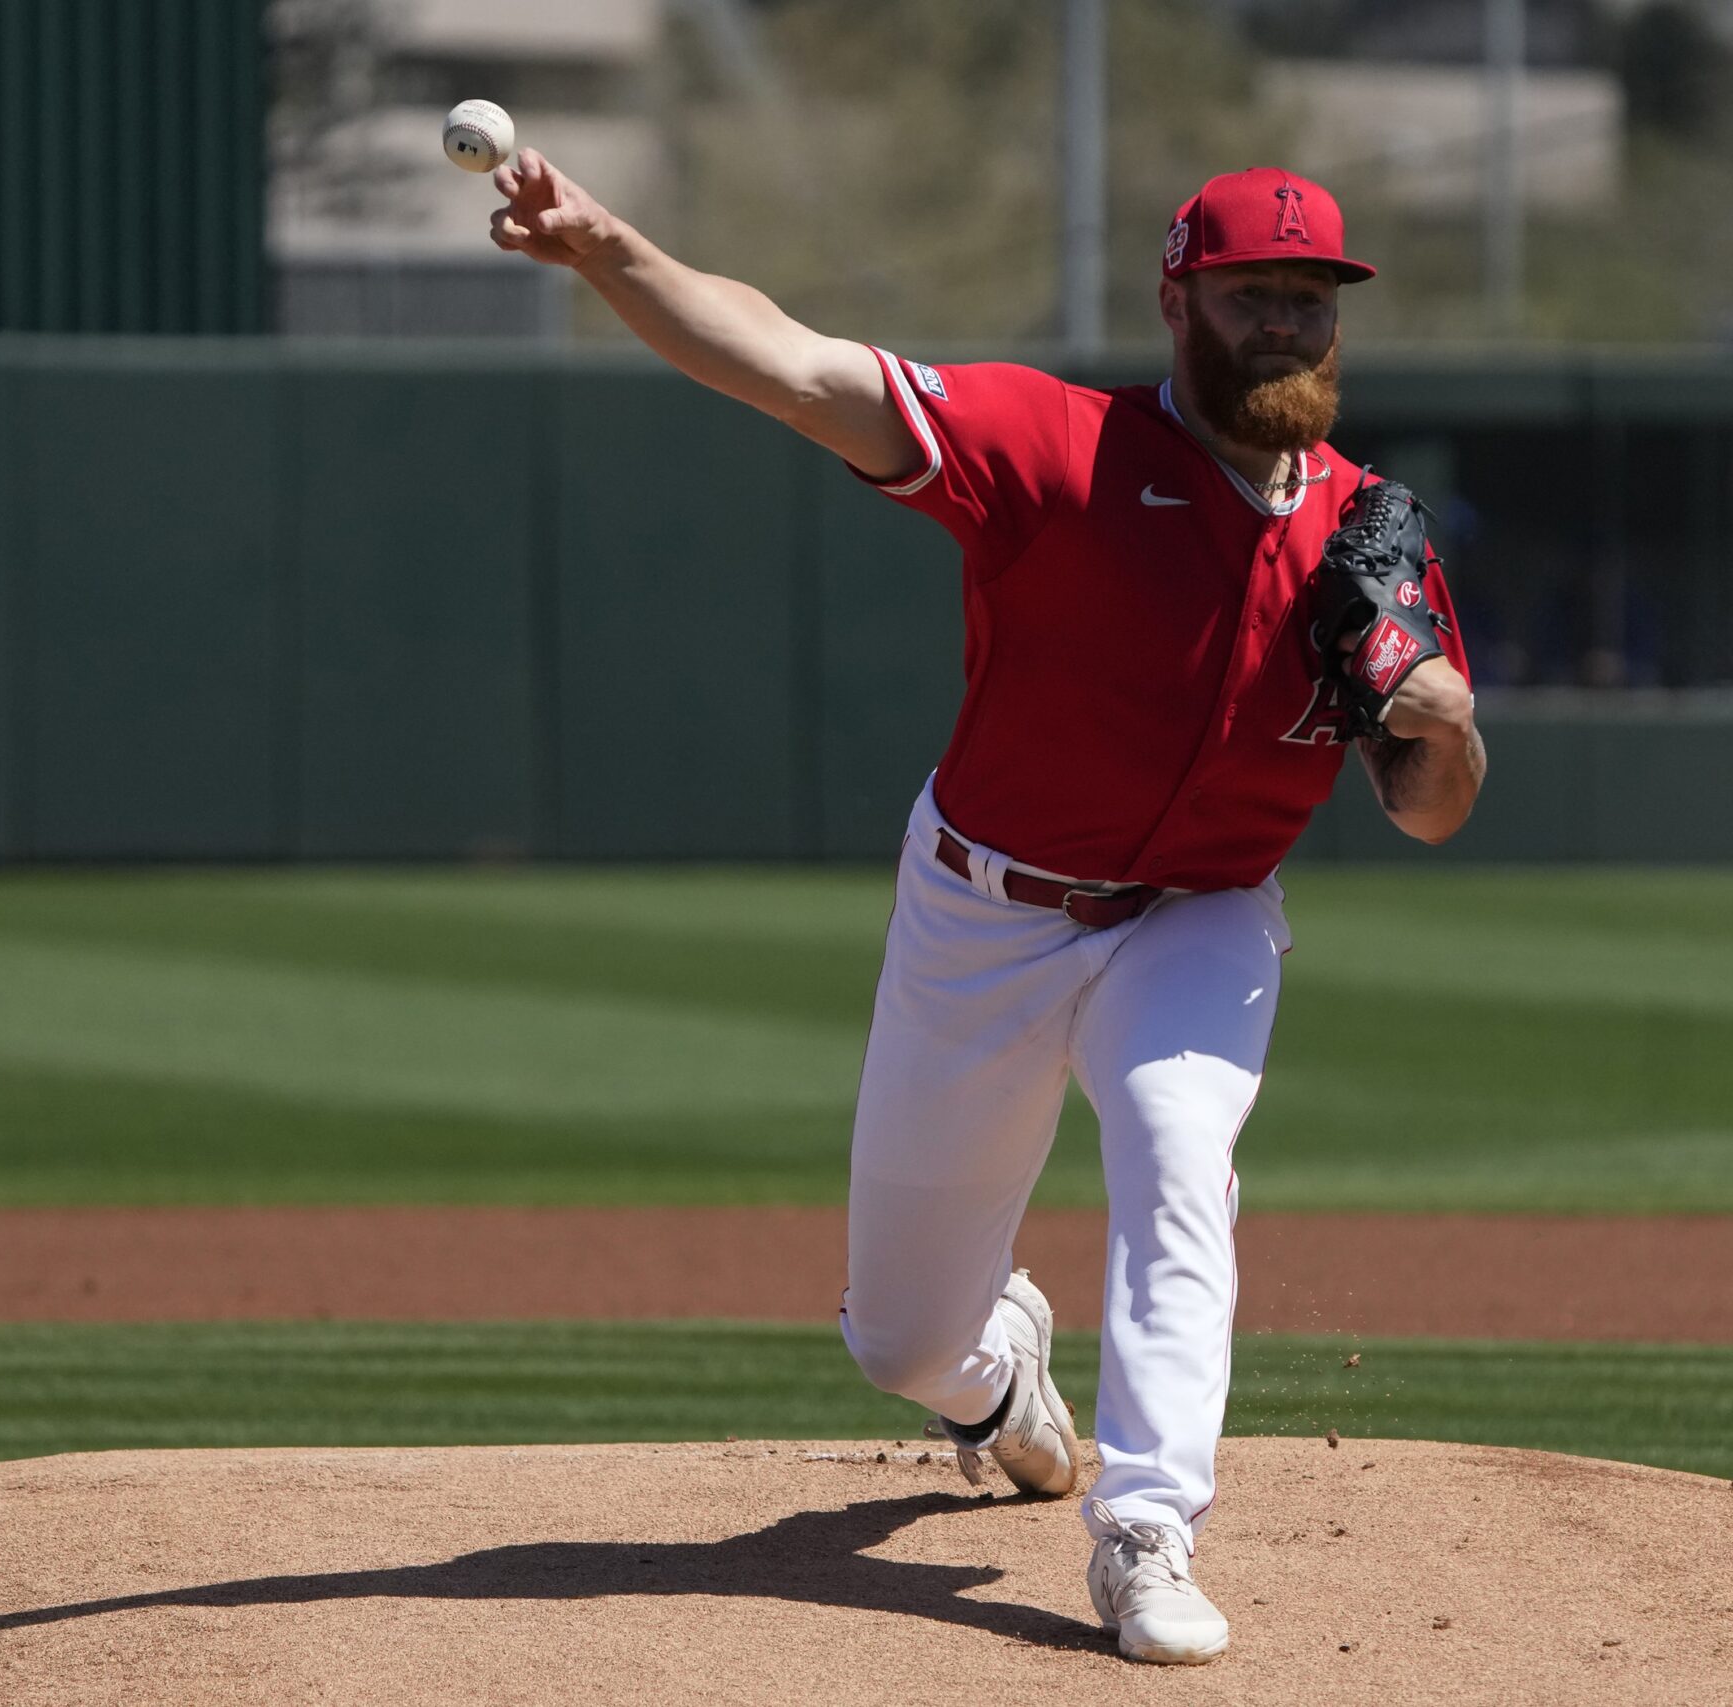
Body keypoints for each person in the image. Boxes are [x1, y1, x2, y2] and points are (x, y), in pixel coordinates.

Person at [489, 152, 1485, 1666]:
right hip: (986, 912)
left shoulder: (1366, 535)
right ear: (1180, 300)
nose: (1286, 320)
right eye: (1252, 293)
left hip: (1201, 919)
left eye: (1311, 297)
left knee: (1175, 1150)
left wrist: (1447, 717)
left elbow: (1427, 809)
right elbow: (793, 366)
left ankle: (1147, 1529)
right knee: (899, 1339)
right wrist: (612, 250)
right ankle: (995, 1380)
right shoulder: (1056, 447)